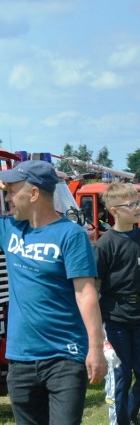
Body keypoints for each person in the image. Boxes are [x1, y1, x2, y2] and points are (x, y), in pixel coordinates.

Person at [0, 159, 106, 425]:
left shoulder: (70, 235)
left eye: (11, 191)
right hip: (21, 359)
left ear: (34, 193)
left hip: (64, 356)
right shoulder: (11, 230)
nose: (7, 198)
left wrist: (95, 349)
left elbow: (85, 294)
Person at [96, 182, 140, 425]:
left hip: (139, 319)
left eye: (138, 202)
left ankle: (131, 414)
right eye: (131, 204)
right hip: (116, 321)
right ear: (114, 210)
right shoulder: (105, 244)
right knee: (120, 376)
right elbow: (93, 285)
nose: (137, 207)